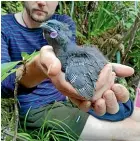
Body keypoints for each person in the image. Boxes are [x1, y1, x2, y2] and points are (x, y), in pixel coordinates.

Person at [1, 1, 140, 141]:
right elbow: (2, 82)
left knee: (133, 114)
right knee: (135, 132)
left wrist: (95, 66)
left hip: (68, 100)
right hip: (37, 108)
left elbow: (72, 56)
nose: (42, 2)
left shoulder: (63, 22)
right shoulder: (3, 26)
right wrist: (37, 67)